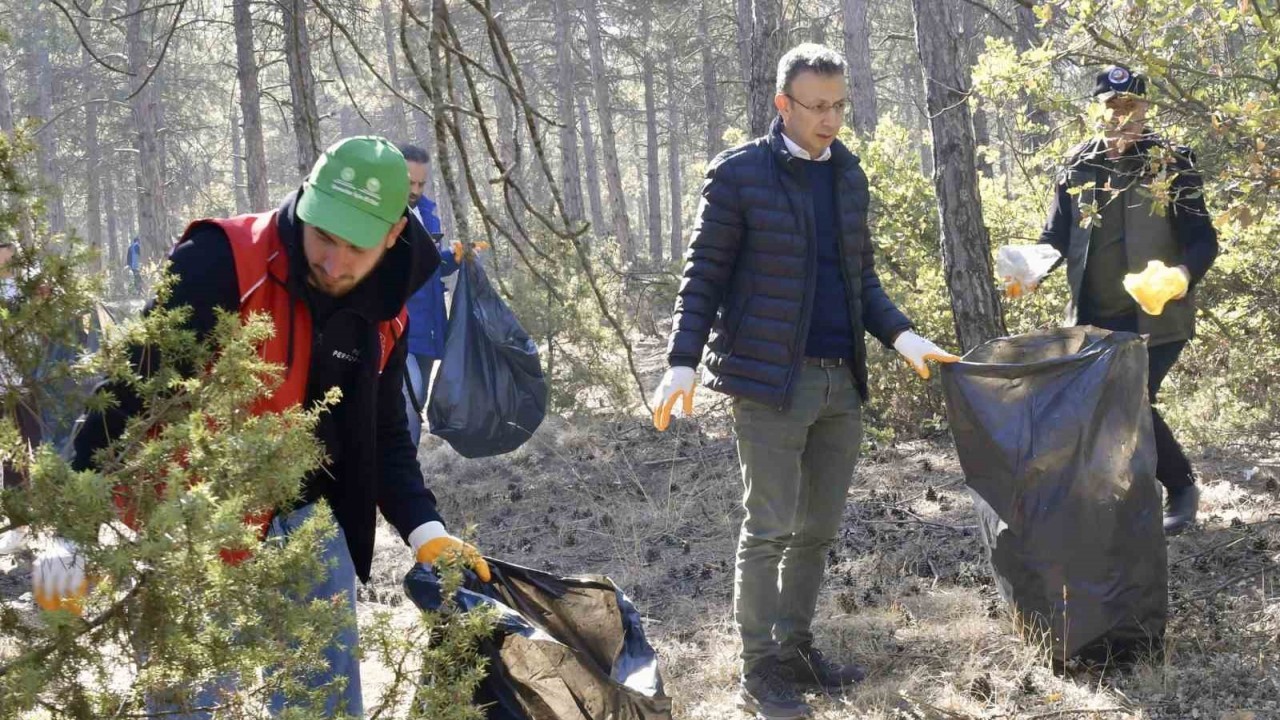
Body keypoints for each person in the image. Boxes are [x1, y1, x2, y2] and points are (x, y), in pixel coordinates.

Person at [32, 136, 491, 716]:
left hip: (308, 525)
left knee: (320, 704)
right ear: (305, 204)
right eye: (323, 235)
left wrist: (427, 532)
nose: (333, 262)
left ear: (393, 235)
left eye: (356, 247)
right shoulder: (220, 261)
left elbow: (381, 436)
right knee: (187, 705)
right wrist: (71, 526)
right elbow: (127, 392)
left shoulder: (388, 306)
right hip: (195, 523)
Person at [651, 44, 959, 720]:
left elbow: (861, 281)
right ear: (783, 105)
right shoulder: (738, 176)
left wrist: (907, 340)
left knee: (816, 530)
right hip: (768, 384)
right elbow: (702, 276)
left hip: (839, 383)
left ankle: (795, 647)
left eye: (839, 105)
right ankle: (758, 668)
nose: (831, 119)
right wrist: (680, 362)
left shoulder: (848, 176)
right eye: (817, 106)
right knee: (768, 529)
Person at [1015, 65, 1218, 535]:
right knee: (1109, 407)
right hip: (1096, 316)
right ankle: (1124, 497)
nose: (1122, 116)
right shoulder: (1077, 165)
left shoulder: (1172, 162)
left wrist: (1183, 275)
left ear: (1146, 108)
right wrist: (1030, 268)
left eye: (1131, 107)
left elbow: (1203, 239)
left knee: (1131, 399)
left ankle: (1182, 487)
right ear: (1098, 108)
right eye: (1112, 106)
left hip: (1158, 315)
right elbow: (1055, 238)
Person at [398, 143, 456, 447]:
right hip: (397, 327)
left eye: (421, 183)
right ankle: (400, 478)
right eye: (410, 182)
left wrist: (457, 257)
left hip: (428, 327)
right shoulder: (382, 216)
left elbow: (431, 267)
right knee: (409, 401)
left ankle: (403, 475)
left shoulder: (428, 213)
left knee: (415, 401)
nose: (416, 190)